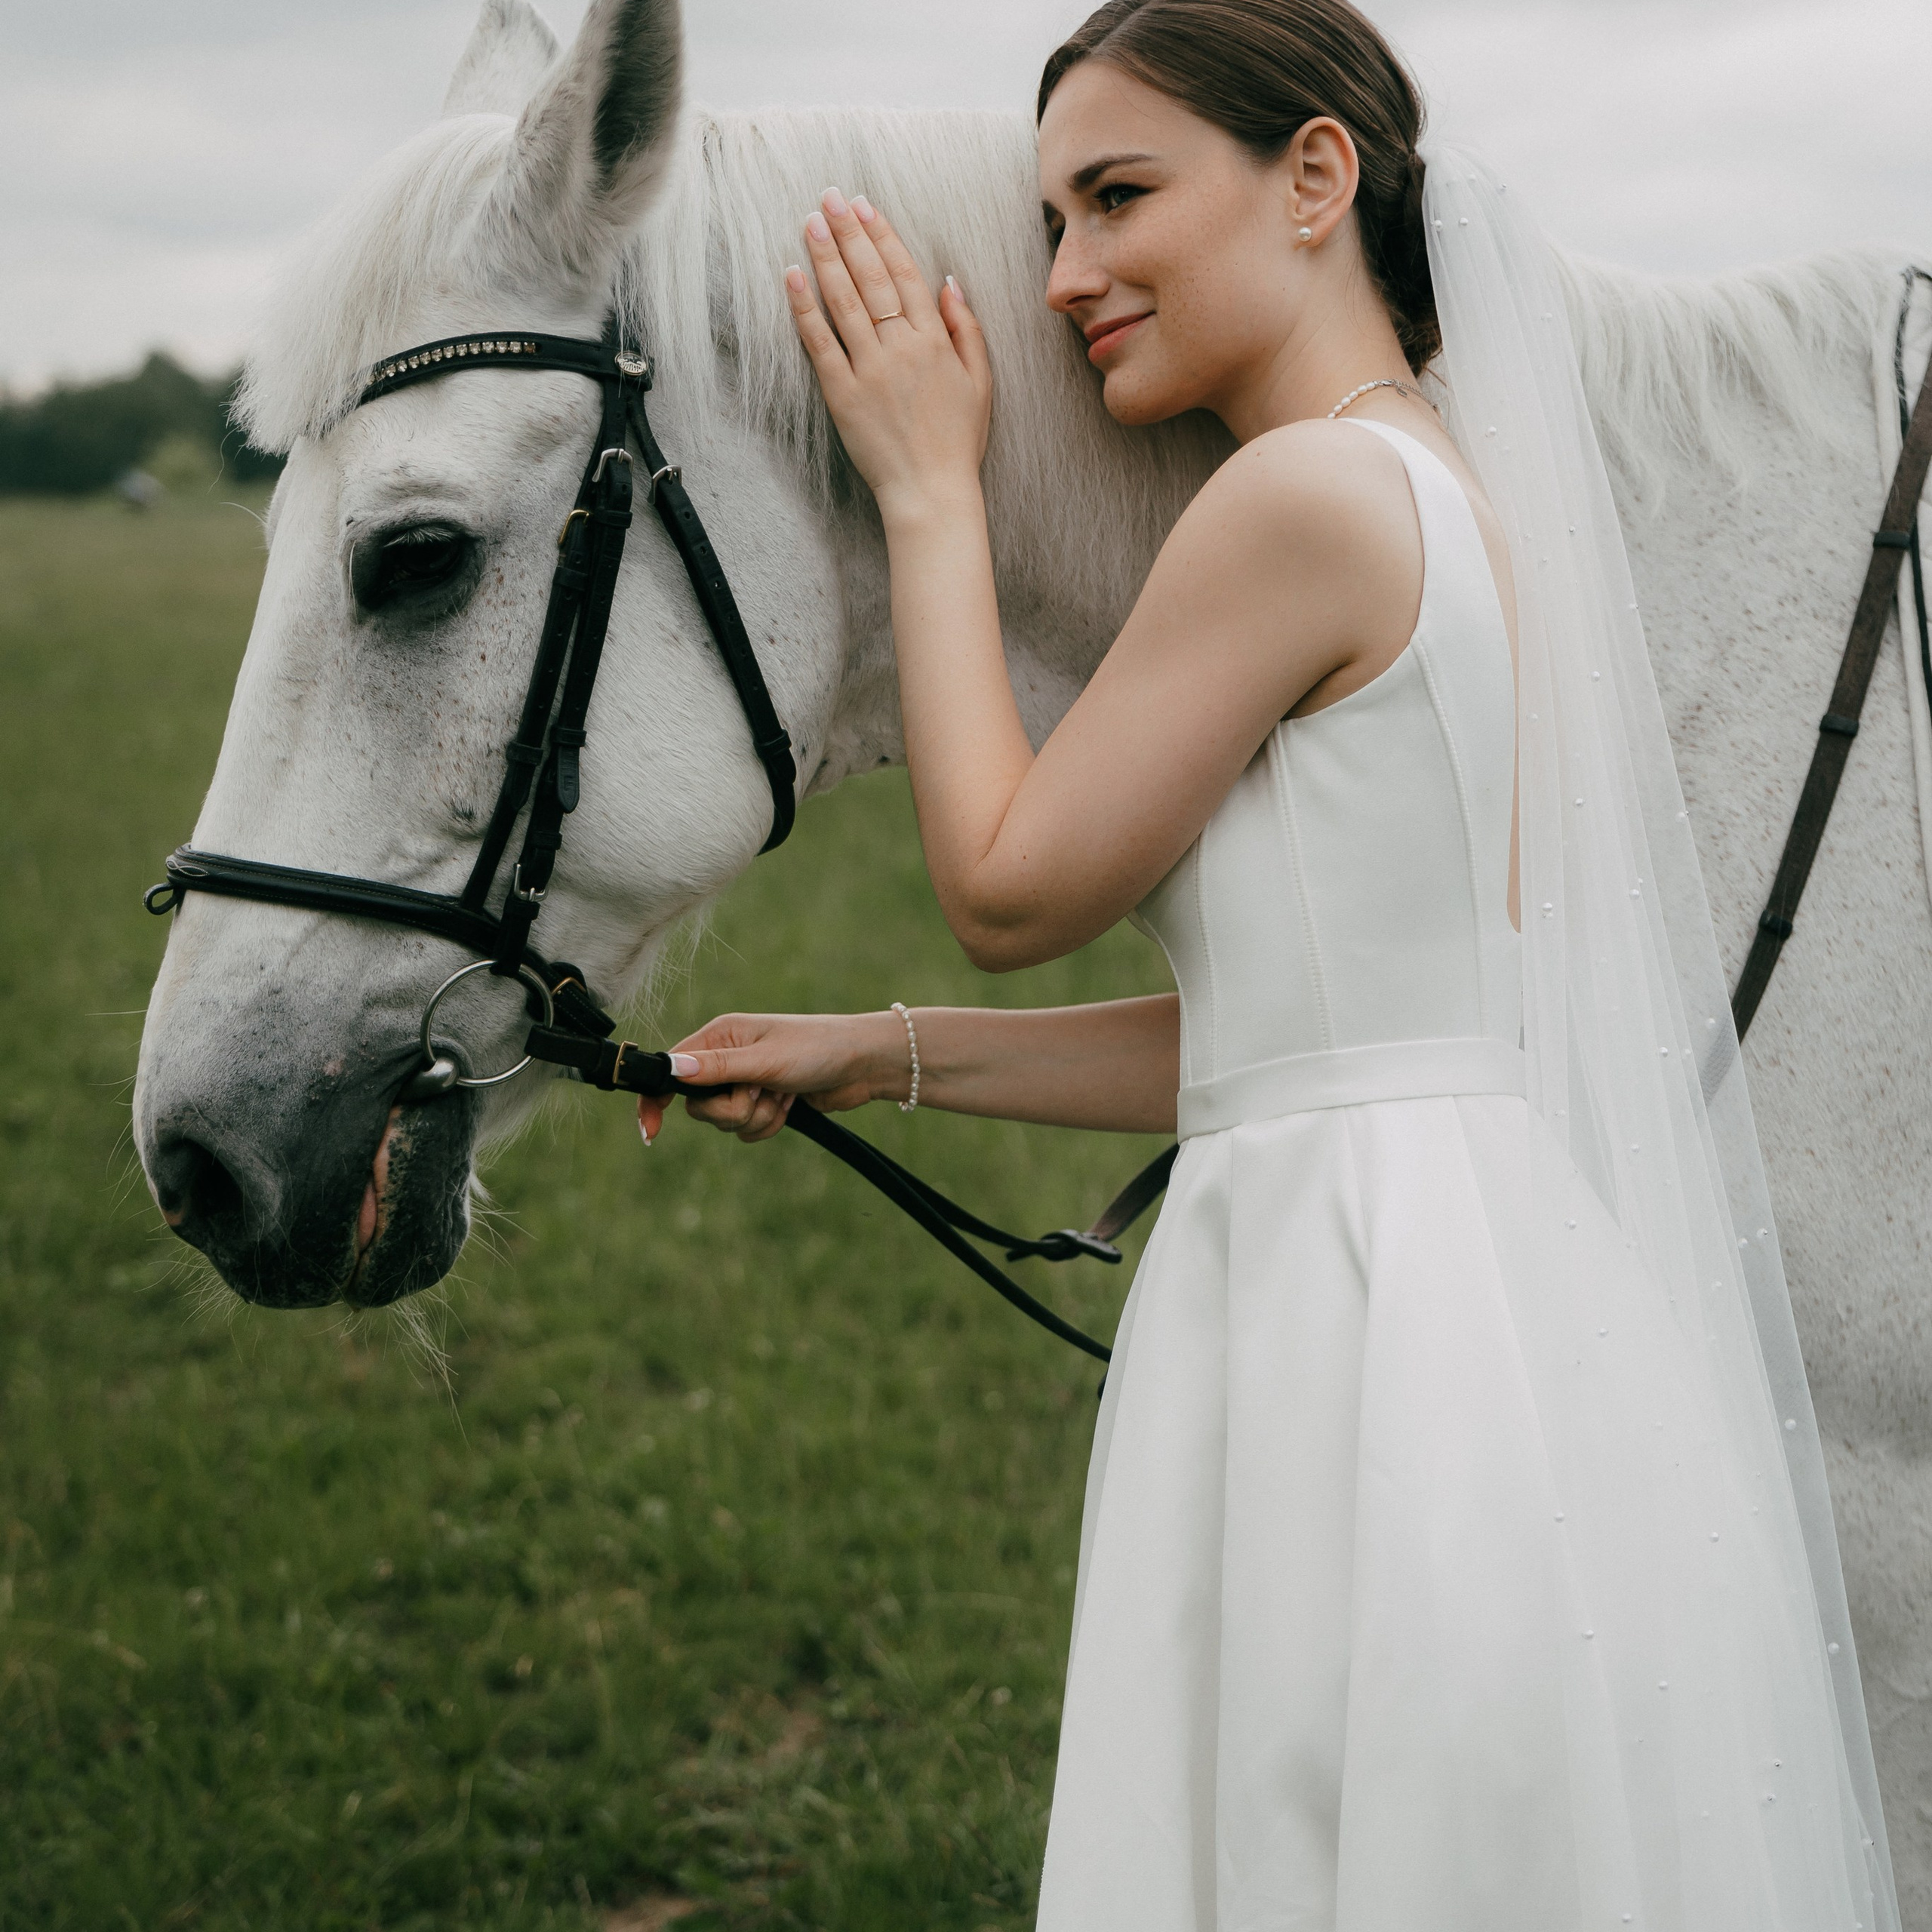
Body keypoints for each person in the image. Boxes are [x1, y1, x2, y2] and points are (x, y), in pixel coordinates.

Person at [638, 2, 1903, 1925]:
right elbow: (1303, 1035)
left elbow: (1003, 882)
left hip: (1355, 1322)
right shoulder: (1440, 490)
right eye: (1048, 221)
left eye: (1116, 197)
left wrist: (925, 487)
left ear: (1313, 177)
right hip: (1472, 1299)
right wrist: (873, 1051)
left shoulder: (1297, 500)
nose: (1062, 276)